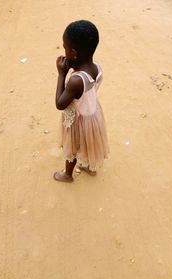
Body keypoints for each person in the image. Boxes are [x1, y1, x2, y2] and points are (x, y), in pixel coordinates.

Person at [54, 20, 109, 183]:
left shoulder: (75, 81)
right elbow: (88, 86)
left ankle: (67, 175)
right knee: (90, 143)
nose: (64, 51)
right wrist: (74, 67)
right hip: (93, 115)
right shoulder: (97, 68)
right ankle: (90, 167)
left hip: (78, 120)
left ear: (74, 53)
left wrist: (62, 74)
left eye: (65, 47)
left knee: (73, 146)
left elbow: (60, 103)